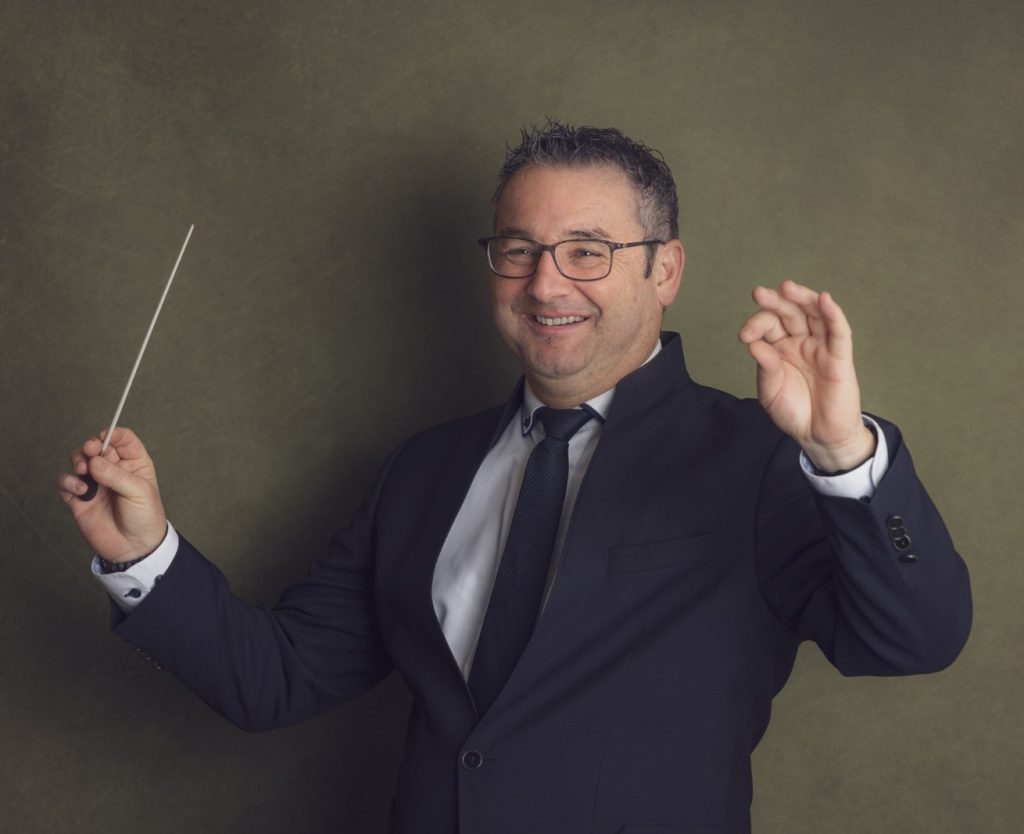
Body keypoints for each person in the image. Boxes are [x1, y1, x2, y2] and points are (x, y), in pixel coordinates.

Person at [59, 122, 971, 834]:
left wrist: (843, 453)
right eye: (518, 249)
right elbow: (277, 680)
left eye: (588, 249)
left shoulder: (762, 458)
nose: (546, 284)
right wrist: (144, 554)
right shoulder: (422, 470)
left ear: (665, 270)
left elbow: (914, 640)